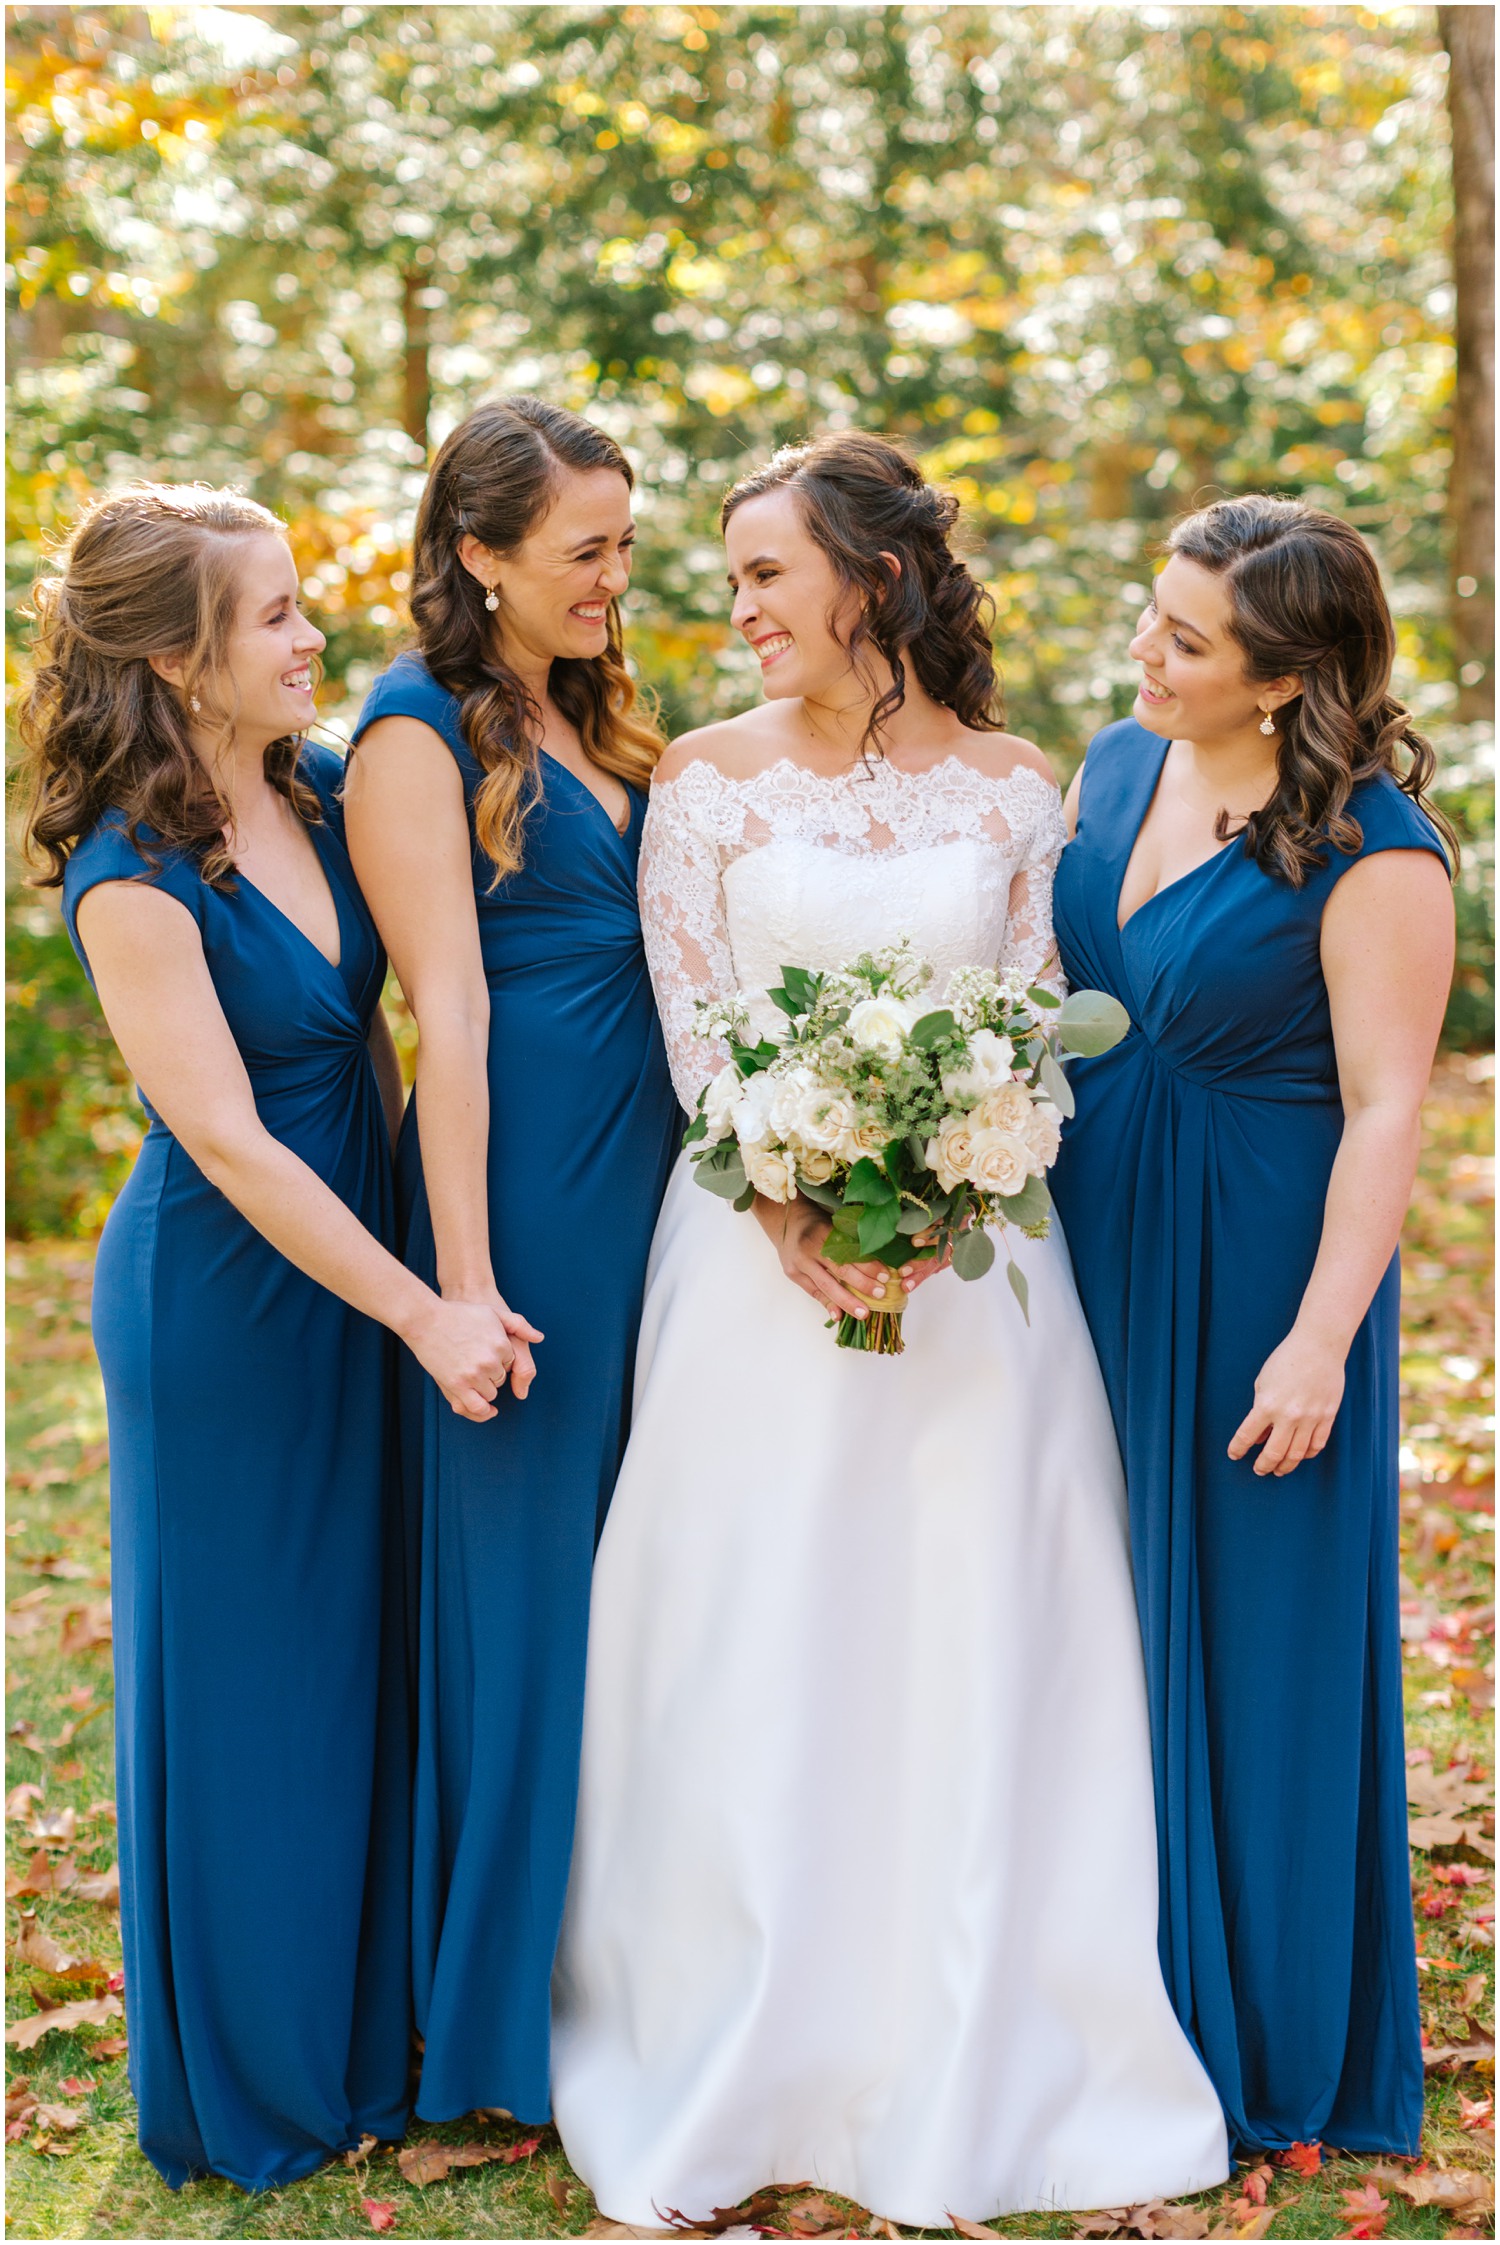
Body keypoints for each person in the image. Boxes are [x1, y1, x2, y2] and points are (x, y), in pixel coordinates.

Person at [550, 432, 1229, 2225]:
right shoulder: (698, 783)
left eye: (768, 571)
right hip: (747, 1273)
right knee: (753, 1626)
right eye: (733, 576)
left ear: (875, 578)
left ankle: (983, 2022)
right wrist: (782, 1194)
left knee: (969, 1623)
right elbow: (697, 1029)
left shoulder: (1018, 788)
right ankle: (736, 2026)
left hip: (980, 1285)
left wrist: (949, 1187)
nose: (739, 607)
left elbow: (1032, 1022)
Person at [17, 483, 514, 2190]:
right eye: (279, 615)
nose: (315, 638)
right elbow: (225, 1140)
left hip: (367, 1258)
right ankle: (254, 2079)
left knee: (356, 1650)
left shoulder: (311, 789)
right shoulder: (125, 873)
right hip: (232, 1296)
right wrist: (425, 1307)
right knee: (246, 1679)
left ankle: (372, 2037)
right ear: (176, 655)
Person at [1048, 495, 1456, 2155]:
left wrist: (1320, 1338)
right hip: (1082, 1235)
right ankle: (1092, 2002)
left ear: (1284, 679)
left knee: (1254, 1632)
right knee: (1087, 1617)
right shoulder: (1115, 764)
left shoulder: (1378, 848)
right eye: (1154, 615)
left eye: (1188, 640)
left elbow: (1386, 1109)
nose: (1147, 648)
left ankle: (1269, 2033)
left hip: (1260, 1265)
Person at [343, 397, 680, 2127]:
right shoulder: (409, 733)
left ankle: (626, 1964)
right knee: (529, 1587)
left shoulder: (597, 703)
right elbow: (446, 1015)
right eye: (582, 552)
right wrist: (462, 1286)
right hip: (524, 1179)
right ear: (477, 554)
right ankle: (488, 2025)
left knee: (637, 1576)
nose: (615, 578)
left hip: (657, 1180)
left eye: (623, 541)